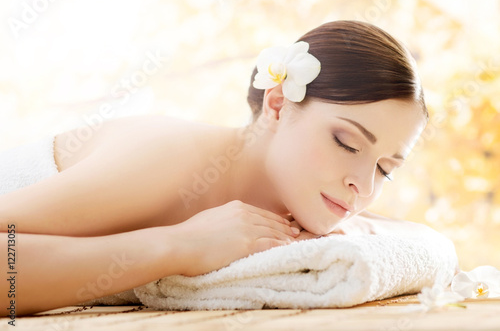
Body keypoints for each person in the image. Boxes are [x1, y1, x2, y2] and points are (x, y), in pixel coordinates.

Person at [0, 20, 440, 316]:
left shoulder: (295, 208)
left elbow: (423, 242)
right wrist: (178, 246)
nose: (361, 186)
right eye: (346, 143)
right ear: (278, 104)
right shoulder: (168, 156)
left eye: (385, 170)